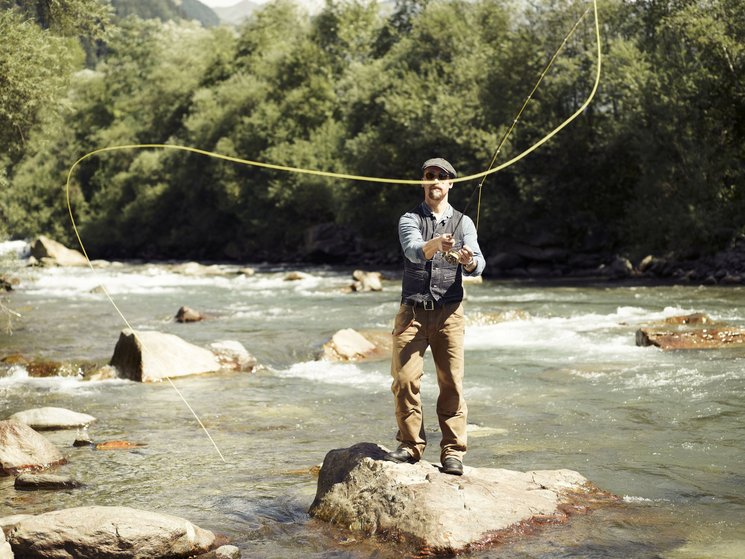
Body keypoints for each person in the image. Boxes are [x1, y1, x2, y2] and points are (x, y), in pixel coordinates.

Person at [384, 157, 485, 476]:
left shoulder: (464, 222)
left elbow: (480, 263)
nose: (435, 180)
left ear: (451, 184)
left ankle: (453, 451)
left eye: (442, 177)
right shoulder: (408, 219)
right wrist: (436, 244)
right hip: (412, 313)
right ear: (423, 182)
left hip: (450, 314)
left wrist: (468, 262)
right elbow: (413, 250)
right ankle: (411, 445)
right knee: (404, 380)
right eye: (429, 175)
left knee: (451, 382)